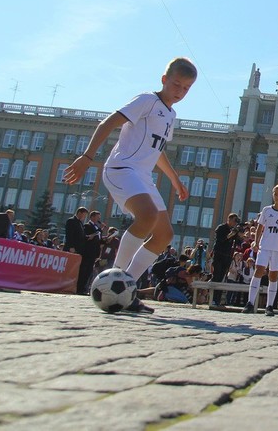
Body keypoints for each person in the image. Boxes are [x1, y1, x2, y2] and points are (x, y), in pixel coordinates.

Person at [63, 57, 196, 314]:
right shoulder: (147, 100)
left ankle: (127, 289)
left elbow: (157, 150)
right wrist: (87, 157)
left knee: (164, 235)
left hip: (143, 176)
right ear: (164, 79)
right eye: (176, 84)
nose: (180, 91)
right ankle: (115, 277)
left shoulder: (170, 115)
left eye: (186, 88)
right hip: (121, 168)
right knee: (147, 215)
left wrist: (174, 178)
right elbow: (108, 123)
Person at [242, 184, 278, 317]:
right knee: (259, 271)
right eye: (276, 194)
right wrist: (256, 242)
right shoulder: (266, 210)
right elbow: (260, 227)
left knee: (273, 276)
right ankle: (250, 303)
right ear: (273, 195)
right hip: (265, 246)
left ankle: (270, 306)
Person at [211, 213, 241, 307]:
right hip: (219, 254)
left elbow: (238, 242)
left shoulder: (234, 230)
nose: (235, 223)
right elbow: (221, 239)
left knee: (222, 277)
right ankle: (213, 298)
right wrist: (231, 234)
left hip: (227, 256)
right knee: (216, 276)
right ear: (229, 219)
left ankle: (218, 299)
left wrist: (239, 232)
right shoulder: (221, 228)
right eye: (234, 220)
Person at [64, 207, 88, 293]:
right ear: (80, 213)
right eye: (84, 215)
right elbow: (69, 235)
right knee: (70, 268)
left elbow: (81, 236)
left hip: (80, 250)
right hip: (72, 249)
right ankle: (66, 286)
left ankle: (77, 288)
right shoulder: (71, 221)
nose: (84, 217)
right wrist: (71, 246)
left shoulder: (80, 223)